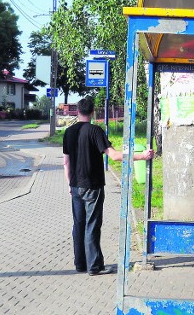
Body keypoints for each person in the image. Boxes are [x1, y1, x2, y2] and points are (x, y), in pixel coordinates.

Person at [62, 97, 154, 276]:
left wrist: (69, 184)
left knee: (79, 225)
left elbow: (66, 162)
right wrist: (141, 156)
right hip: (93, 186)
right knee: (92, 225)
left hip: (75, 186)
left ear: (77, 111)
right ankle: (94, 266)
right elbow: (114, 156)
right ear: (93, 112)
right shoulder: (96, 131)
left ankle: (80, 263)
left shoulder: (68, 132)